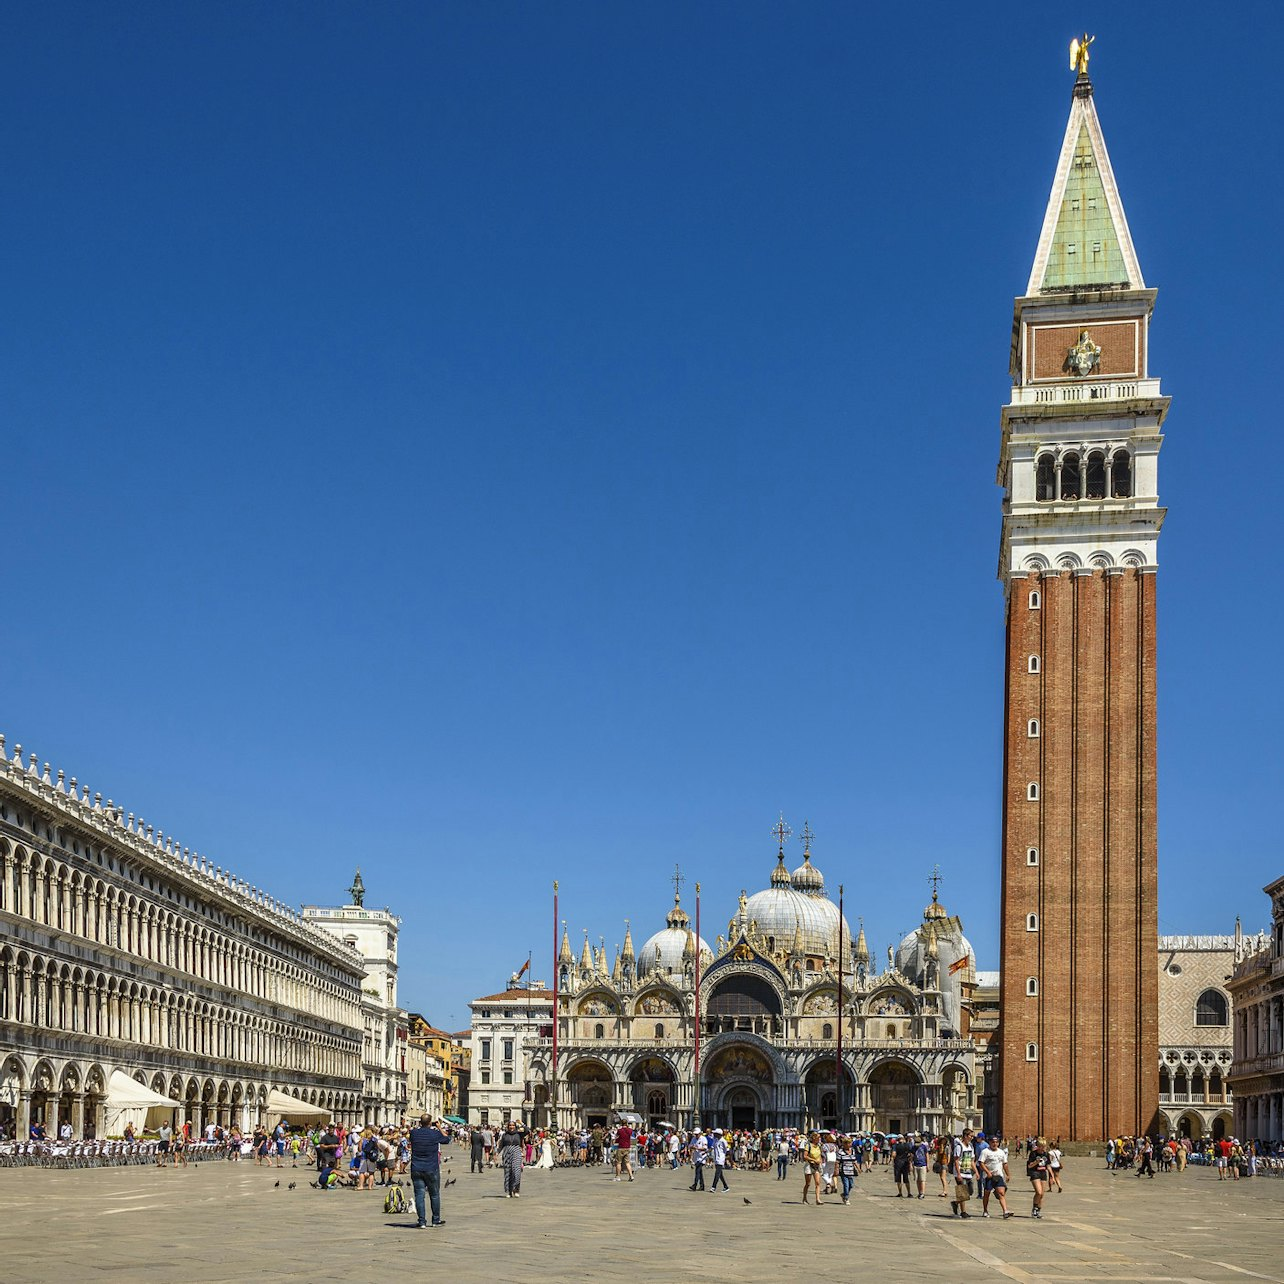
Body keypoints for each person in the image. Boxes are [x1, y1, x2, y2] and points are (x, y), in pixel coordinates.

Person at [408, 1115, 451, 1227]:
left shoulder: (413, 1133)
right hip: (431, 1168)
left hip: (416, 1168)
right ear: (430, 1122)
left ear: (420, 1122)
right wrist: (439, 1128)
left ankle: (422, 1221)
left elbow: (412, 1135)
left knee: (419, 1195)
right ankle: (435, 1220)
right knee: (434, 1194)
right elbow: (447, 1139)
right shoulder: (435, 1134)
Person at [977, 1135, 1014, 1219]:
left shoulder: (1001, 1152)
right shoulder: (985, 1151)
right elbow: (981, 1163)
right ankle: (985, 1210)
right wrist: (987, 1172)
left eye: (996, 1142)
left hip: (998, 1175)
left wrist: (1008, 1174)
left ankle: (1005, 1211)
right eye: (993, 1142)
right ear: (989, 1142)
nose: (995, 1144)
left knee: (1001, 1193)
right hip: (988, 1176)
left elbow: (1005, 1164)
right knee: (987, 1193)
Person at [951, 1129, 976, 1218]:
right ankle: (963, 1212)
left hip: (968, 1172)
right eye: (971, 1136)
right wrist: (958, 1174)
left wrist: (976, 1171)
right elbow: (956, 1161)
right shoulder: (959, 1146)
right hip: (960, 1172)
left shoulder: (971, 1146)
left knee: (970, 1191)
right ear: (965, 1136)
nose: (972, 1138)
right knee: (962, 1192)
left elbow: (972, 1160)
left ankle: (955, 1203)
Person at [1026, 1135, 1050, 1218]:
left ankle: (1038, 1210)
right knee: (1038, 1192)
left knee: (1042, 1194)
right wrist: (1036, 1162)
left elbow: (1048, 1166)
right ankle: (1034, 1209)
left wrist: (1052, 1176)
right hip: (1035, 1173)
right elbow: (1029, 1165)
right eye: (1041, 1146)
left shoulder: (1046, 1154)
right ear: (1038, 1146)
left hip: (1043, 1173)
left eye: (1044, 1146)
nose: (1042, 1148)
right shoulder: (1033, 1153)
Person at [498, 1121, 524, 1198]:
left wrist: (521, 1123)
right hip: (507, 1154)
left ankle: (516, 1190)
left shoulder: (519, 1134)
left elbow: (527, 1130)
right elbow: (501, 1146)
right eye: (510, 1125)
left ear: (515, 1126)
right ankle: (509, 1191)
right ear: (508, 1126)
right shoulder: (504, 1135)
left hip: (516, 1154)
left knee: (516, 1172)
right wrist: (496, 1154)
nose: (511, 1127)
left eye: (513, 1125)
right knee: (508, 1173)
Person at [314, 1122, 340, 1191]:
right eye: (330, 1130)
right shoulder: (325, 1137)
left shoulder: (336, 1137)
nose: (331, 1131)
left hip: (333, 1155)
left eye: (332, 1130)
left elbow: (338, 1144)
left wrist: (338, 1147)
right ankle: (323, 1182)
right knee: (325, 1169)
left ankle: (330, 1183)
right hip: (326, 1155)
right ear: (328, 1130)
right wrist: (330, 1146)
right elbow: (321, 1146)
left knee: (333, 1169)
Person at [801, 1131, 824, 1206]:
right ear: (814, 1138)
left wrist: (820, 1160)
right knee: (808, 1183)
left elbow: (820, 1155)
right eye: (818, 1138)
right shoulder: (808, 1145)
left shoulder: (819, 1146)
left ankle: (818, 1199)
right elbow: (805, 1156)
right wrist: (813, 1160)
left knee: (817, 1183)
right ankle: (804, 1198)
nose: (819, 1139)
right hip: (809, 1165)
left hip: (817, 1166)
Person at [892, 1134, 914, 1198]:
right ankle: (909, 1193)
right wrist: (910, 1162)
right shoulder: (907, 1145)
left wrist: (893, 1159)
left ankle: (900, 1193)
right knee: (906, 1178)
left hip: (898, 1163)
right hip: (905, 1163)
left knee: (898, 1179)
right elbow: (911, 1154)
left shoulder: (895, 1146)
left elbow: (894, 1154)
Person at [838, 1136, 858, 1205]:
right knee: (846, 1185)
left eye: (850, 1143)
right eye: (849, 1143)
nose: (850, 1144)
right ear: (845, 1144)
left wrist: (858, 1168)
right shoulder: (840, 1151)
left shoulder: (852, 1150)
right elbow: (837, 1162)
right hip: (843, 1171)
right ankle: (846, 1198)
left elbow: (854, 1160)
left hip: (851, 1171)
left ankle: (844, 1194)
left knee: (851, 1185)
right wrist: (836, 1169)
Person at [912, 1133, 929, 1199]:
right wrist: (911, 1165)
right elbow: (912, 1156)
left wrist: (927, 1165)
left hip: (923, 1164)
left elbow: (927, 1155)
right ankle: (919, 1192)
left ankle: (922, 1193)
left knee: (922, 1180)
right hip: (915, 1164)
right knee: (917, 1180)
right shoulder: (913, 1147)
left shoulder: (923, 1147)